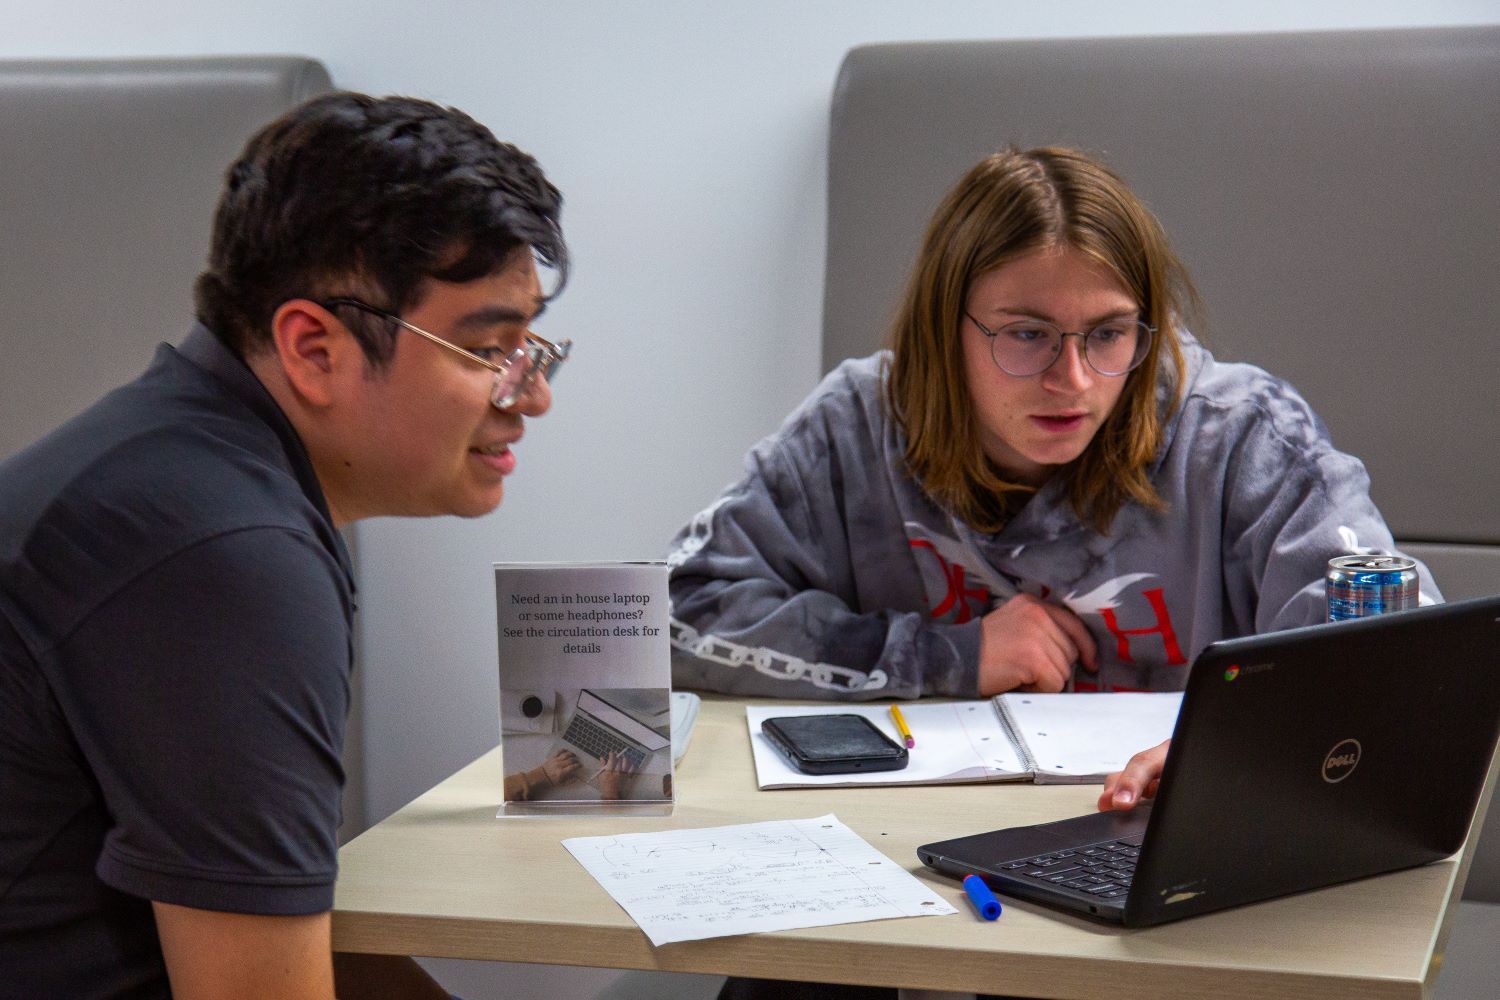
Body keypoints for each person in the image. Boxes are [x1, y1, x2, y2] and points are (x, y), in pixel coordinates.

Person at [0, 92, 568, 999]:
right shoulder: (222, 556)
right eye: (490, 349)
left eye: (535, 346)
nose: (529, 394)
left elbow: (296, 926)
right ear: (312, 348)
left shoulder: (200, 471)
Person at [667, 145, 1438, 704]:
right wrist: (946, 657)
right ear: (945, 330)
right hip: (913, 850)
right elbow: (676, 614)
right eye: (1026, 334)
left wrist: (1230, 759)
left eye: (1108, 333)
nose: (1071, 381)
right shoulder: (855, 427)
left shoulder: (1243, 440)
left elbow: (1399, 658)